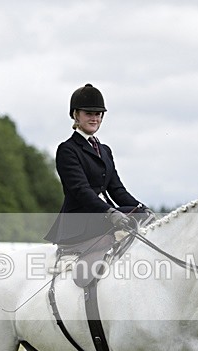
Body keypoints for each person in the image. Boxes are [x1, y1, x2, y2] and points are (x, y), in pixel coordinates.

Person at [44, 83, 153, 249]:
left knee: (140, 214)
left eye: (98, 114)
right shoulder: (67, 149)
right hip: (80, 220)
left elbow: (117, 190)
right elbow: (81, 190)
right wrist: (110, 212)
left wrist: (143, 208)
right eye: (88, 114)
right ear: (75, 115)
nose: (94, 118)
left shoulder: (105, 150)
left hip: (103, 216)